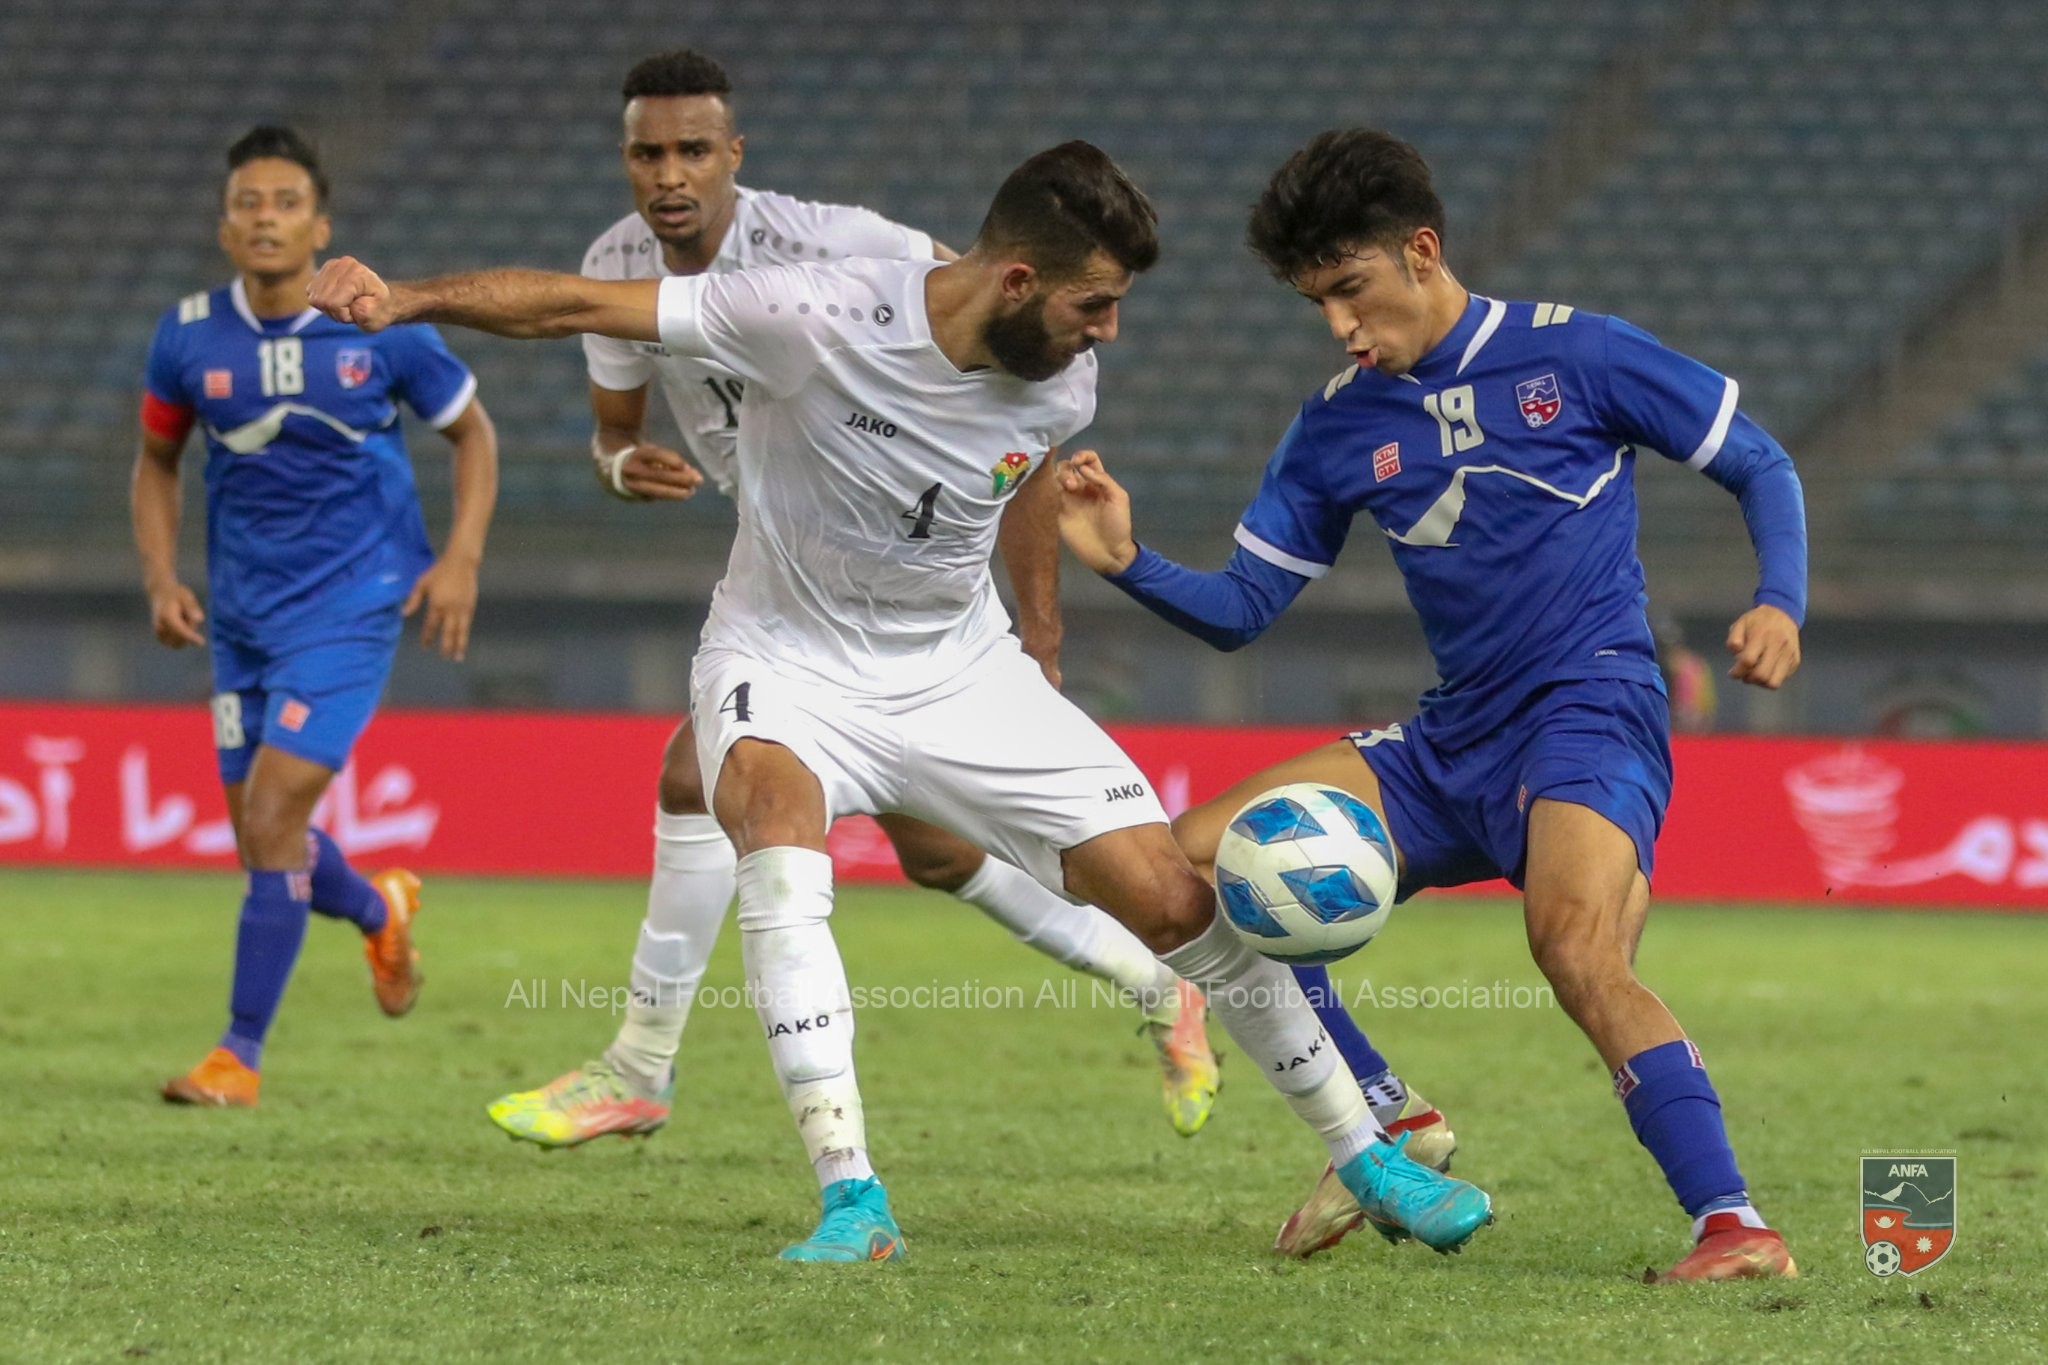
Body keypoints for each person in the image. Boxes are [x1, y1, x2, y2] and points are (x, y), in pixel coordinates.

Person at [310, 140, 1494, 1263]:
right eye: (1092, 304)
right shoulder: (809, 312)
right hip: (785, 659)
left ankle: (1368, 1156)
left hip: (956, 669)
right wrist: (404, 297)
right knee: (777, 844)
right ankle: (850, 1196)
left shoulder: (1060, 382)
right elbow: (575, 303)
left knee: (1173, 897)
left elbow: (1021, 481)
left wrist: (1037, 632)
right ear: (1017, 280)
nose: (1107, 332)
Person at [1056, 129, 1805, 1282]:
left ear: (1419, 250)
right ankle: (1386, 1113)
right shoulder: (1336, 424)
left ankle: (1734, 1226)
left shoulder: (1579, 354)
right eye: (1316, 302)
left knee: (1575, 949)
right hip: (1450, 736)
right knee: (1186, 865)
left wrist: (1778, 601)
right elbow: (1243, 606)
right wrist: (1124, 560)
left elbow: (1757, 461)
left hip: (1586, 705)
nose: (1339, 325)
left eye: (1350, 289)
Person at [483, 51, 1217, 1151]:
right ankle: (1160, 985)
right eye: (648, 152)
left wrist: (1039, 629)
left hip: (895, 573)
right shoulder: (613, 265)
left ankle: (636, 1067)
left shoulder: (837, 243)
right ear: (624, 159)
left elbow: (998, 365)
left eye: (693, 150)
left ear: (733, 155)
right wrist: (617, 465)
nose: (670, 173)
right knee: (935, 853)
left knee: (693, 775)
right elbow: (612, 434)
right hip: (791, 557)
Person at [134, 127, 499, 1107]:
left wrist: (460, 558)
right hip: (242, 619)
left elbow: (473, 435)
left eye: (286, 202)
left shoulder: (382, 327)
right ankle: (379, 908)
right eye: (248, 203)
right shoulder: (186, 336)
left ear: (320, 226)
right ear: (225, 228)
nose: (266, 218)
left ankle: (237, 1055)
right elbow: (156, 462)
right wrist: (161, 577)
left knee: (273, 818)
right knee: (266, 839)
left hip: (353, 605)